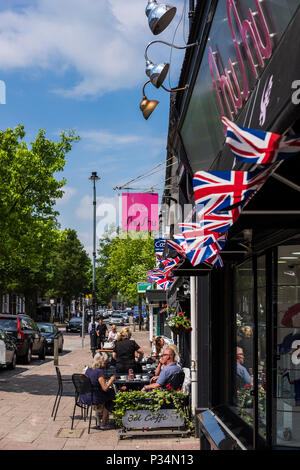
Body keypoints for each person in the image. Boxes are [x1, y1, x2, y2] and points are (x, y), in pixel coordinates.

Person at [79, 352, 116, 430]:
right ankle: (104, 422)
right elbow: (105, 388)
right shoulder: (99, 372)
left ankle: (102, 418)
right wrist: (111, 380)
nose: (106, 363)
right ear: (102, 362)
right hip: (94, 398)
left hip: (84, 396)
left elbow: (81, 377)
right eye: (106, 362)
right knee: (112, 395)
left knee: (108, 394)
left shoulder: (87, 369)